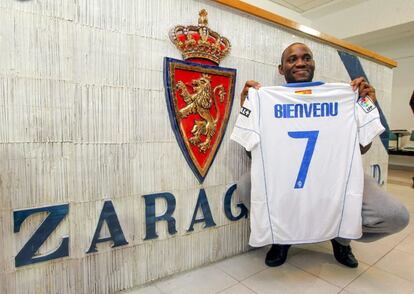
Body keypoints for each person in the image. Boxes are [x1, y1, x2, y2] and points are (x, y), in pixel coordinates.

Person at [238, 42, 409, 268]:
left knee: (396, 215)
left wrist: (368, 104)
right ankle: (282, 237)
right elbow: (253, 152)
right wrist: (247, 108)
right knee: (246, 184)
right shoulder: (264, 99)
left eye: (306, 57)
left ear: (314, 64)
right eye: (292, 59)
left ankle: (341, 235)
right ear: (281, 69)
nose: (300, 62)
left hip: (334, 175)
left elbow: (360, 148)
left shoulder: (344, 96)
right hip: (289, 178)